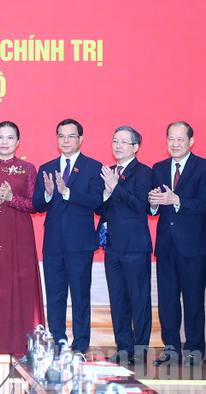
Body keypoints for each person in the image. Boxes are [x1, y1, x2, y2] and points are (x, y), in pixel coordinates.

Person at [33, 118, 103, 353]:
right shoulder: (47, 167)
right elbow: (37, 206)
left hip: (80, 244)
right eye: (61, 136)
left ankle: (81, 344)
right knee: (54, 296)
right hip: (53, 244)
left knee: (81, 296)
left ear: (81, 139)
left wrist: (67, 192)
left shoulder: (94, 167)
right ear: (56, 139)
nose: (66, 140)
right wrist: (49, 194)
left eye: (71, 136)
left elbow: (96, 201)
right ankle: (58, 344)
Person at [0, 121, 44, 353]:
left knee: (20, 286)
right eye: (0, 137)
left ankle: (21, 344)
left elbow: (35, 205)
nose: (5, 142)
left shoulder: (28, 168)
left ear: (18, 141)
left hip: (20, 237)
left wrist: (11, 198)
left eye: (10, 137)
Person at [148, 121, 206, 367]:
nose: (175, 144)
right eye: (171, 138)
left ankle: (194, 350)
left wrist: (178, 199)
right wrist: (152, 203)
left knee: (193, 300)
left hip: (194, 246)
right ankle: (171, 349)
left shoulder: (202, 167)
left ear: (191, 141)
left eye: (180, 139)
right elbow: (153, 208)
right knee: (167, 301)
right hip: (166, 246)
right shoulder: (159, 168)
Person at [97, 126, 152, 366]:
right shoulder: (108, 172)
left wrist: (115, 188)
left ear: (135, 147)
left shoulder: (144, 173)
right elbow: (100, 208)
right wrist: (107, 193)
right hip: (112, 246)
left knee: (139, 299)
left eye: (123, 142)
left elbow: (141, 206)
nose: (118, 146)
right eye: (114, 141)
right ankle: (123, 348)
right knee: (118, 299)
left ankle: (140, 351)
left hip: (135, 246)